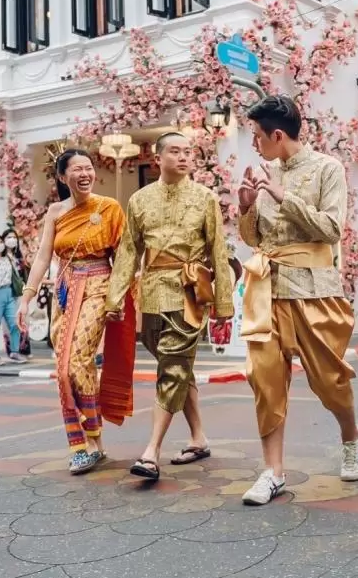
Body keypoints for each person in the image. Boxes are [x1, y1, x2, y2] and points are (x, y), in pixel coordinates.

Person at [236, 95, 358, 506]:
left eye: (258, 136)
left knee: (330, 381)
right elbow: (257, 238)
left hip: (314, 290)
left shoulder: (328, 168)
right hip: (267, 289)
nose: (254, 144)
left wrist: (282, 197)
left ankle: (351, 436)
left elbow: (331, 229)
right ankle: (272, 471)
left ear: (278, 135)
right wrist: (246, 209)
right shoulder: (265, 172)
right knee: (265, 379)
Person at [105, 132, 234, 481]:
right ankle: (199, 438)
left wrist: (224, 303)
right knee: (175, 362)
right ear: (157, 158)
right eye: (174, 151)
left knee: (173, 366)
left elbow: (218, 251)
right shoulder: (140, 200)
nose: (183, 157)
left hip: (189, 292)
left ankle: (151, 452)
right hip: (149, 294)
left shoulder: (205, 198)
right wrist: (114, 298)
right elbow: (129, 252)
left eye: (187, 152)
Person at [14, 149, 136, 475]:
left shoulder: (108, 208)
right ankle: (80, 442)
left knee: (78, 361)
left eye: (89, 168)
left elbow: (124, 256)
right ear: (62, 177)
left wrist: (117, 299)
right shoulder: (55, 211)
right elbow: (42, 258)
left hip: (98, 284)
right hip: (65, 290)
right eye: (77, 169)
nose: (85, 174)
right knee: (63, 367)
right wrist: (26, 297)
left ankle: (94, 440)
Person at [0, 233, 27, 365]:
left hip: (9, 293)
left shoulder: (7, 259)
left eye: (0, 242)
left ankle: (14, 351)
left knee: (14, 323)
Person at [2, 229, 32, 357]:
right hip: (7, 294)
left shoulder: (18, 257)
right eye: (9, 237)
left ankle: (23, 348)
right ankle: (12, 350)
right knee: (10, 323)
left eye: (14, 237)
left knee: (23, 320)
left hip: (20, 293)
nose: (12, 240)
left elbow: (24, 275)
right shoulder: (1, 258)